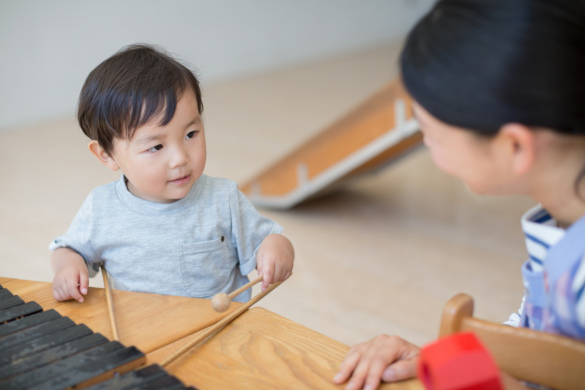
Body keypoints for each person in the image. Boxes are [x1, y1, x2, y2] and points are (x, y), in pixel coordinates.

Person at [333, 0, 585, 389]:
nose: (427, 147)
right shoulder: (563, 217)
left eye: (430, 134)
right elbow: (548, 348)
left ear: (514, 147)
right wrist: (445, 360)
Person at [50, 44, 294, 304]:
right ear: (106, 155)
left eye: (190, 134)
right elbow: (67, 249)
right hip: (142, 336)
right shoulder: (101, 208)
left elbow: (269, 239)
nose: (180, 158)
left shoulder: (223, 199)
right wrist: (67, 268)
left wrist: (276, 249)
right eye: (156, 146)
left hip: (223, 335)